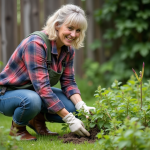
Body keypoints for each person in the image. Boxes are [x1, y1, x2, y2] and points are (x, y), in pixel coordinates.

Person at [0, 4, 95, 141]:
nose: (73, 35)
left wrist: (81, 105)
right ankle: (17, 130)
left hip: (35, 92)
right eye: (70, 28)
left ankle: (35, 120)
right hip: (7, 94)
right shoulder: (36, 44)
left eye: (78, 30)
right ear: (57, 25)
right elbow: (43, 89)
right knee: (32, 100)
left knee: (76, 111)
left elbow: (69, 82)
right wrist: (68, 119)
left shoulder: (68, 50)